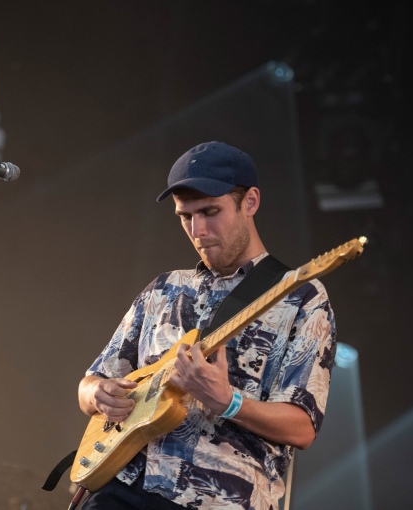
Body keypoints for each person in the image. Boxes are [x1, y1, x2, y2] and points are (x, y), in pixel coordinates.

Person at [77, 141, 336, 509]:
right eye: (185, 216)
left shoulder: (300, 297)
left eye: (210, 212)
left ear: (250, 202)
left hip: (217, 497)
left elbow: (302, 427)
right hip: (122, 487)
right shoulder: (164, 289)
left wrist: (227, 401)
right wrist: (98, 394)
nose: (197, 229)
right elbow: (90, 382)